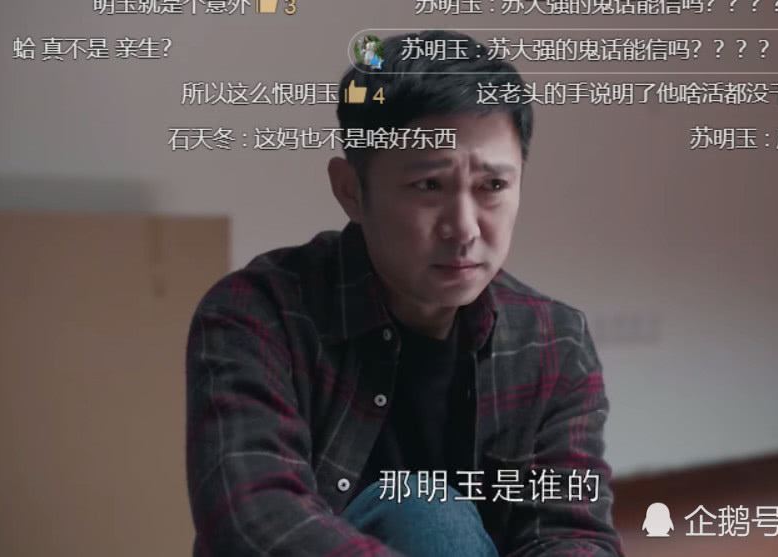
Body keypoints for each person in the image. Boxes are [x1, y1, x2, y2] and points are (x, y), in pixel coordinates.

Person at [185, 30, 624, 557]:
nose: (465, 229)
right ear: (351, 190)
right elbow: (253, 517)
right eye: (428, 186)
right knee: (420, 506)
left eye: (493, 186)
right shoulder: (257, 314)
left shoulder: (554, 339)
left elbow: (571, 530)